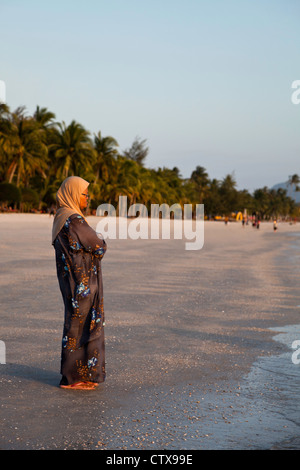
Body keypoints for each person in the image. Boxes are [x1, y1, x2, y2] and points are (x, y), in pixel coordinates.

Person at [52, 176, 107, 390]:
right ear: (74, 194)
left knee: (77, 325)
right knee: (81, 326)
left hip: (71, 282)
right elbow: (99, 245)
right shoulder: (74, 219)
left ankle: (79, 375)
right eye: (85, 194)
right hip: (82, 283)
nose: (88, 198)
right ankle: (72, 378)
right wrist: (101, 241)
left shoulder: (60, 217)